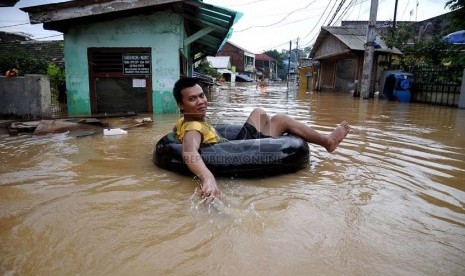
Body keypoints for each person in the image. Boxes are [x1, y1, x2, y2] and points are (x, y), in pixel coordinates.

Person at [173, 77, 350, 200]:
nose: (201, 101)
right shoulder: (193, 128)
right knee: (282, 120)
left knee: (259, 112)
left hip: (234, 144)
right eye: (192, 99)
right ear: (181, 105)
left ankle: (326, 141)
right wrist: (208, 179)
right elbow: (189, 152)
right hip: (239, 152)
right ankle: (328, 142)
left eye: (201, 96)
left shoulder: (184, 121)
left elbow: (175, 131)